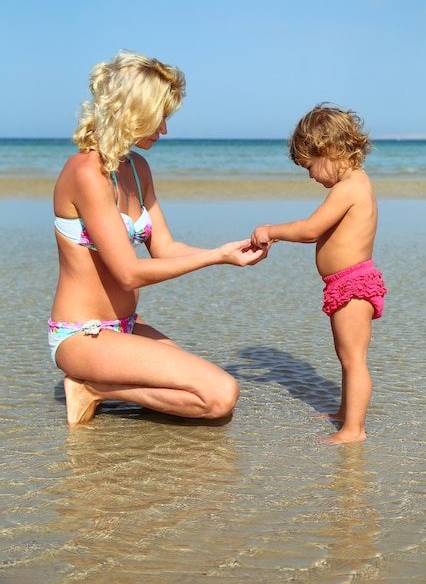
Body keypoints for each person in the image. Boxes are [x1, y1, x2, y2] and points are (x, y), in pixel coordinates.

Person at [48, 50, 269, 429]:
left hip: (126, 325)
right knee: (219, 395)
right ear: (134, 111)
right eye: (160, 116)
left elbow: (165, 248)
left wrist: (227, 252)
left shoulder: (136, 167)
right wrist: (213, 257)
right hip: (83, 335)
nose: (164, 129)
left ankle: (101, 384)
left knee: (202, 393)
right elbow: (129, 274)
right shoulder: (86, 173)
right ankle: (93, 389)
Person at [251, 104, 387, 445]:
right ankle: (346, 413)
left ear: (327, 150)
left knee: (354, 358)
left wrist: (272, 230)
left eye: (310, 166)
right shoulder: (355, 182)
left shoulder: (350, 186)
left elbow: (311, 229)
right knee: (346, 356)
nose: (311, 176)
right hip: (344, 283)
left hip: (353, 284)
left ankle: (354, 430)